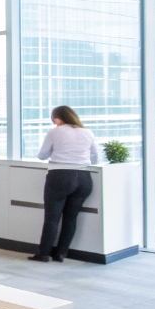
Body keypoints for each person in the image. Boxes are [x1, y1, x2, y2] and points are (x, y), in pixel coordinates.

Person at [30, 106, 99, 263]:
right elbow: (95, 156)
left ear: (57, 118)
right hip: (84, 178)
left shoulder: (55, 132)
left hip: (60, 176)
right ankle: (61, 254)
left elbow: (42, 155)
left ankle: (43, 254)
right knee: (71, 218)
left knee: (52, 218)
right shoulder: (87, 132)